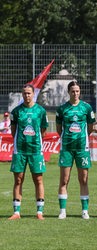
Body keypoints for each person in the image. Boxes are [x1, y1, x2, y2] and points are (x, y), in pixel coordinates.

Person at [55, 81, 95, 220]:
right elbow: (59, 129)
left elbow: (90, 128)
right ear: (69, 92)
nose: (75, 93)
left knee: (83, 179)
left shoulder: (87, 107)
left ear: (80, 92)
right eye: (73, 91)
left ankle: (85, 211)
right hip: (66, 148)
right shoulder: (62, 109)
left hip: (82, 148)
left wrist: (81, 139)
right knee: (64, 180)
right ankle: (62, 211)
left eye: (77, 91)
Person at [8, 84, 48, 220]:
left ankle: (39, 212)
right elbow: (13, 131)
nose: (27, 96)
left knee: (38, 179)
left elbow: (43, 131)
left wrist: (35, 140)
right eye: (24, 93)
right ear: (22, 94)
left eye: (29, 93)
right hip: (20, 150)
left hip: (36, 150)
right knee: (18, 179)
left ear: (33, 94)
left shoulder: (41, 111)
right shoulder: (16, 111)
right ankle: (16, 212)